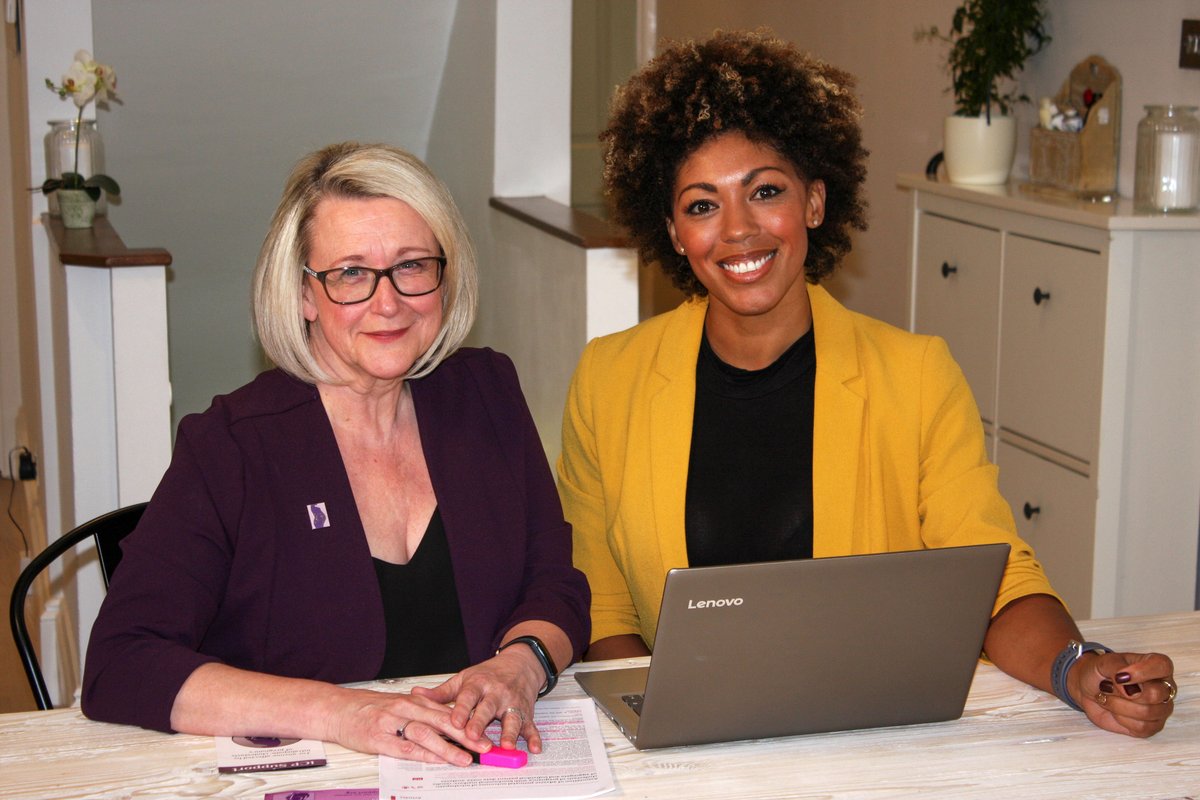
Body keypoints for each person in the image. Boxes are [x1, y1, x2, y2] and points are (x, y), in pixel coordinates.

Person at [557, 30, 1175, 738]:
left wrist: (1078, 668)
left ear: (815, 203)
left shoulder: (915, 376)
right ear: (672, 231)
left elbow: (994, 578)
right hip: (680, 739)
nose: (738, 229)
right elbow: (601, 605)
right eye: (702, 205)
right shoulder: (609, 380)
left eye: (765, 192)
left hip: (864, 736)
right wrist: (669, 722)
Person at [83, 142, 590, 764]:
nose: (388, 302)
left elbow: (555, 582)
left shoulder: (487, 392)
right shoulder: (231, 445)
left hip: (480, 769)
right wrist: (343, 713)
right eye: (351, 273)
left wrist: (522, 663)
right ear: (304, 294)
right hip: (304, 773)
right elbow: (121, 662)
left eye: (411, 265)